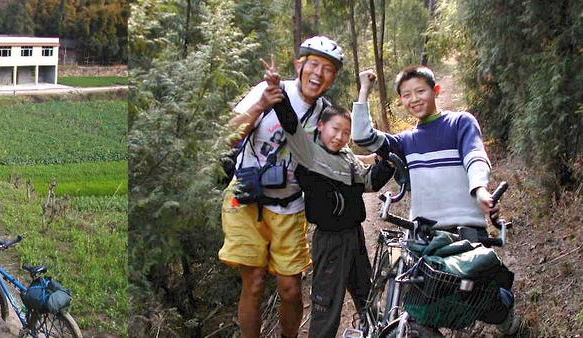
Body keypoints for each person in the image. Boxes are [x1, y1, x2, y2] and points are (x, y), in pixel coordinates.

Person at [352, 66, 521, 334]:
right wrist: (364, 90)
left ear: (435, 91)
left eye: (420, 91)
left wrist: (479, 189)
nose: (414, 99)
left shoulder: (460, 123)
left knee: (476, 299)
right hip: (425, 237)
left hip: (465, 232)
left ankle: (505, 310)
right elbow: (363, 137)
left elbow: (475, 157)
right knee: (423, 302)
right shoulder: (405, 141)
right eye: (406, 95)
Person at [218, 36, 344, 338]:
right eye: (313, 64)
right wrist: (262, 105)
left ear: (333, 77)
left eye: (327, 69)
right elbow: (227, 136)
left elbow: (332, 154)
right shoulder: (270, 90)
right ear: (299, 65)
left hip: (290, 205)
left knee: (290, 289)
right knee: (255, 282)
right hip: (245, 199)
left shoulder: (325, 114)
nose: (318, 74)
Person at [259, 57, 394, 336]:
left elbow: (368, 182)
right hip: (330, 241)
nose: (340, 137)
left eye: (346, 133)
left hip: (354, 236)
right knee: (326, 307)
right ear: (321, 126)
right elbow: (291, 124)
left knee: (367, 296)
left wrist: (386, 163)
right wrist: (278, 92)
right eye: (335, 129)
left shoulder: (346, 156)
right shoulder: (307, 151)